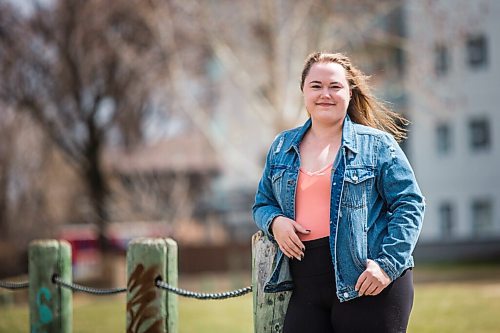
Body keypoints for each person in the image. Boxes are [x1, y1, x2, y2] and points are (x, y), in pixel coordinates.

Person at [252, 51, 425, 333]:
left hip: (367, 284)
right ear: (304, 91)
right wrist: (275, 221)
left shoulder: (378, 145)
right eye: (316, 86)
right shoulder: (282, 146)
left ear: (350, 93)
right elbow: (262, 203)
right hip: (305, 283)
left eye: (335, 86)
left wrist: (386, 266)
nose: (325, 94)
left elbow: (410, 204)